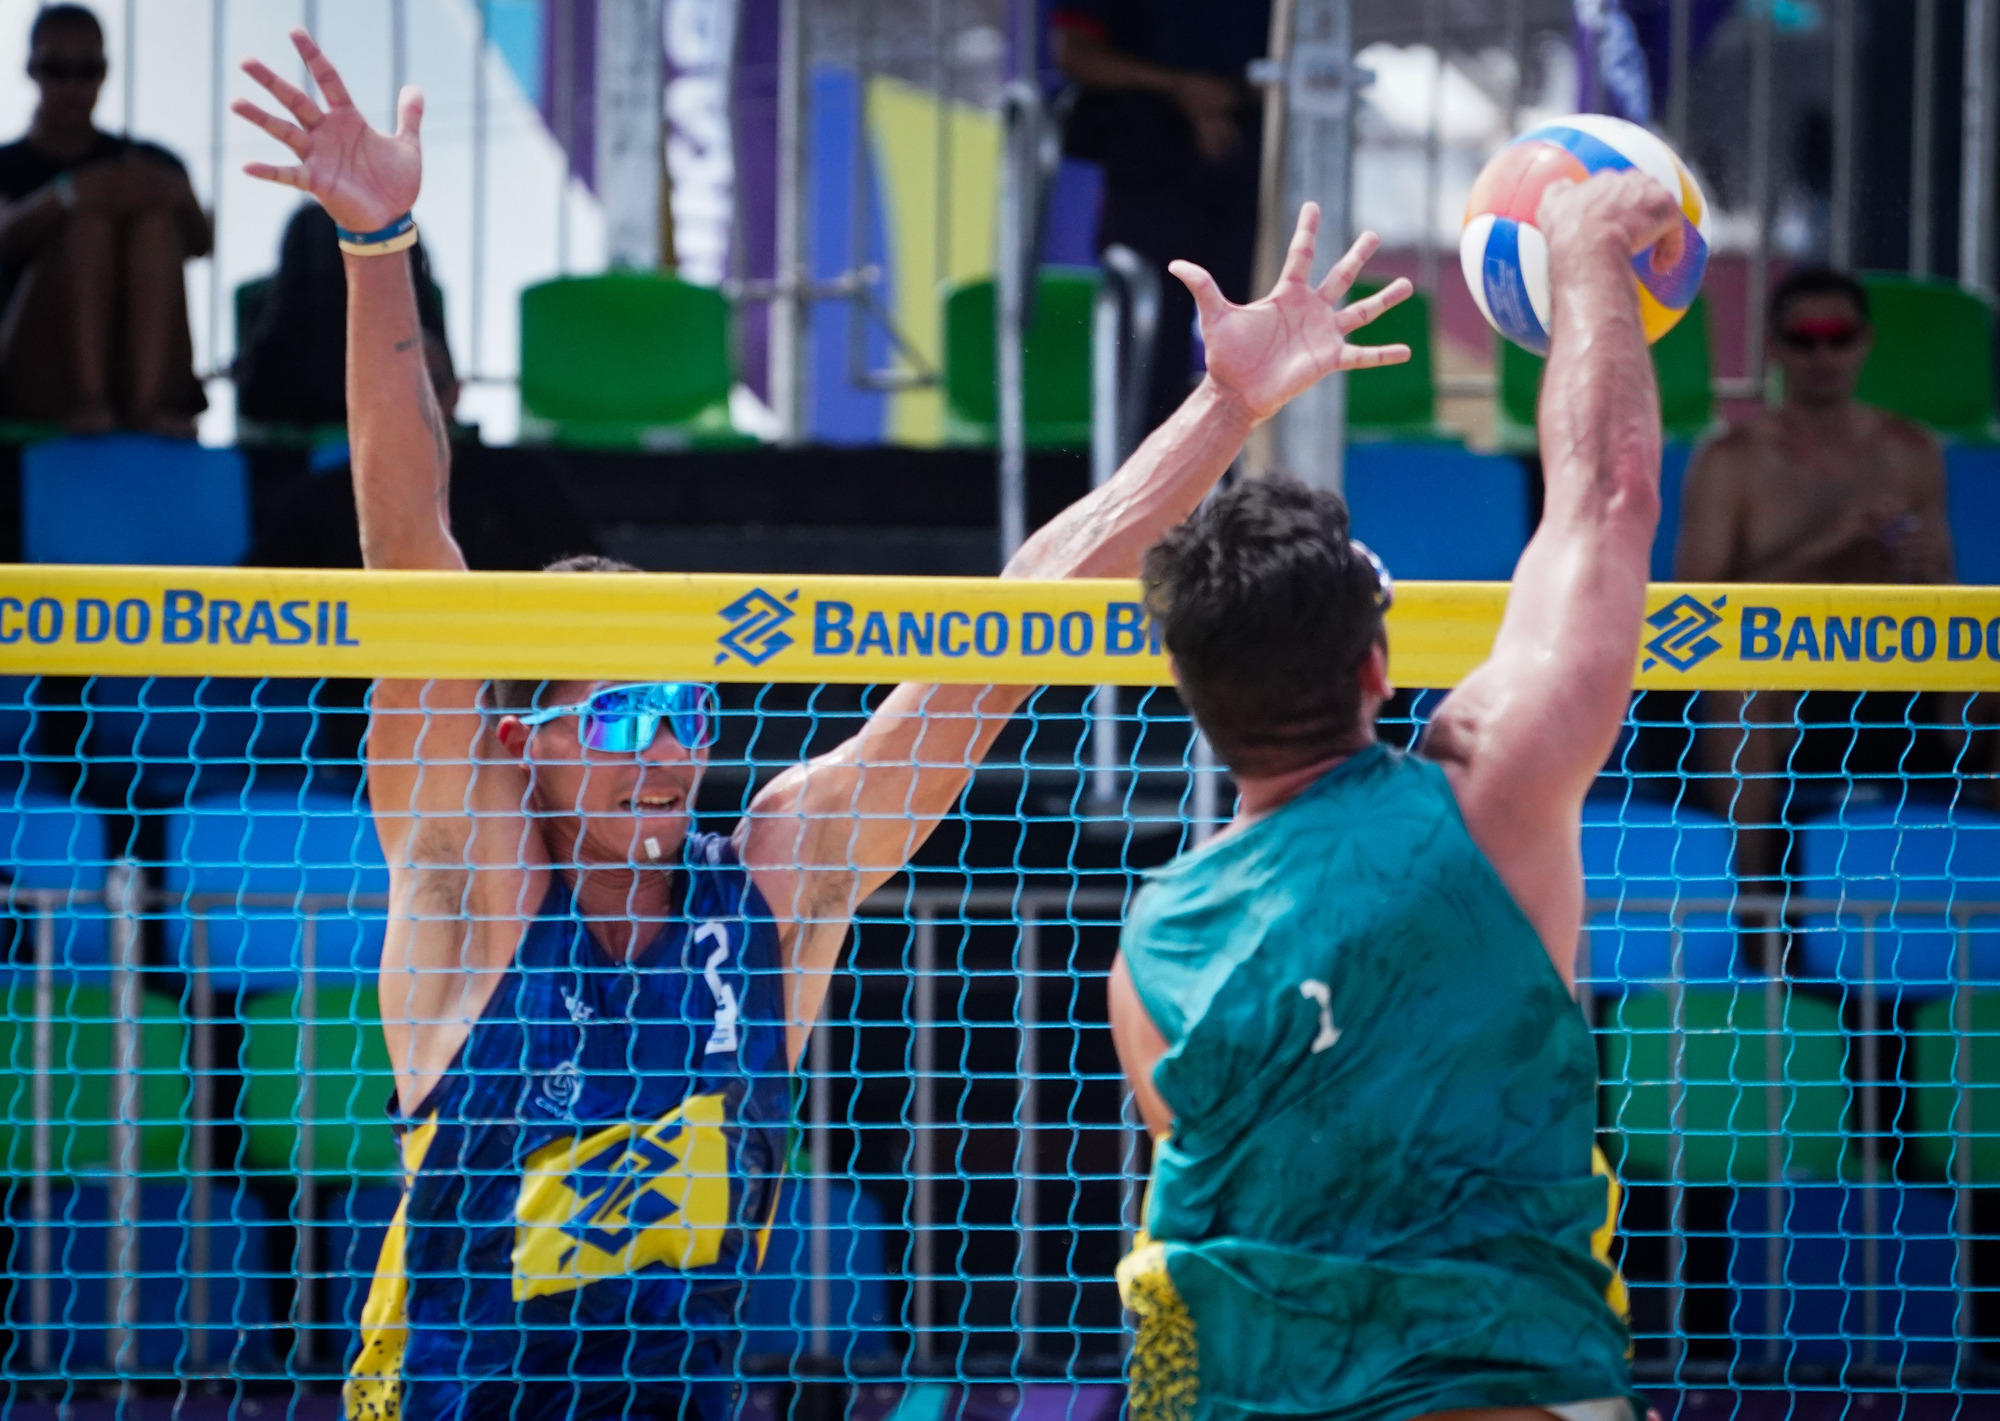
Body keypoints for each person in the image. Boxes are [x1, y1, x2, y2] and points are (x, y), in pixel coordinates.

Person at [232, 28, 1411, 1421]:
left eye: (684, 708)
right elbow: (408, 553)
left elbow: (1019, 620)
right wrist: (379, 244)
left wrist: (1223, 407)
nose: (667, 750)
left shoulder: (776, 878)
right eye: (620, 715)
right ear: (518, 739)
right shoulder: (469, 887)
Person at [1107, 171, 1685, 1421]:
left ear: (1194, 699)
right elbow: (1607, 495)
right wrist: (1585, 248)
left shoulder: (1153, 942)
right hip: (1502, 1379)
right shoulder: (1486, 789)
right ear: (1376, 667)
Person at [1675, 267, 1954, 895]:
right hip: (1782, 679)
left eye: (1838, 336)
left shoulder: (1911, 451)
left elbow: (1947, 597)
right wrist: (1827, 545)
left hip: (1891, 670)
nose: (1822, 355)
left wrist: (1923, 571)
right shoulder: (1731, 460)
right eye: (1805, 340)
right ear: (1774, 348)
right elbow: (1693, 611)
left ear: (1864, 342)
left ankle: (1983, 904)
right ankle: (1753, 917)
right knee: (1737, 692)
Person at [1053, 0, 1269, 435]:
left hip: (1256, 173)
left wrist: (1228, 99)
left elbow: (1312, 55)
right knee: (1146, 368)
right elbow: (1073, 52)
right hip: (1149, 168)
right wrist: (1180, 88)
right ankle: (1145, 473)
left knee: (1258, 358)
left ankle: (1244, 475)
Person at [0, 3, 210, 436]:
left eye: (87, 69)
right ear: (32, 70)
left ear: (104, 72)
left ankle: (146, 404)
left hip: (146, 377)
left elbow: (201, 243)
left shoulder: (153, 162)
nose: (73, 85)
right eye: (57, 69)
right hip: (36, 379)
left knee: (155, 225)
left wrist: (176, 194)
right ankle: (90, 400)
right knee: (88, 227)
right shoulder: (6, 166)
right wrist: (69, 196)